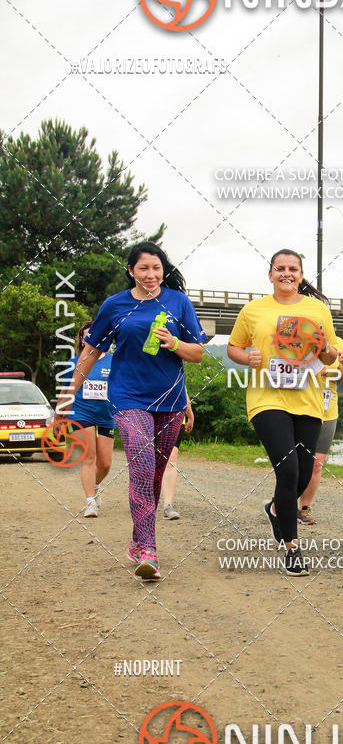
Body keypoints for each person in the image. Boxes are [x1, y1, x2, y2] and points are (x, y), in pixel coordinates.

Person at [55, 242, 207, 580]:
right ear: (130, 271)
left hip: (170, 401)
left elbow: (196, 353)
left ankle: (138, 539)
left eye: (156, 268)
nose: (150, 275)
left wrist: (175, 343)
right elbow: (91, 354)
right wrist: (66, 398)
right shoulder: (115, 305)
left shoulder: (178, 303)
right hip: (128, 397)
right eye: (143, 269)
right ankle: (149, 550)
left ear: (162, 270)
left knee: (154, 475)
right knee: (141, 464)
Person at [227, 249, 339, 576]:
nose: (286, 273)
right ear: (271, 274)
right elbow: (234, 346)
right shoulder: (254, 310)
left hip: (308, 400)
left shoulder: (317, 310)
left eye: (293, 269)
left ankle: (277, 509)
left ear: (301, 276)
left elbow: (329, 355)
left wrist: (329, 351)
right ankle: (291, 546)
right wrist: (245, 356)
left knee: (303, 476)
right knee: (288, 470)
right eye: (280, 268)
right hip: (267, 398)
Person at [298, 336, 343, 524]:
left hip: (328, 411)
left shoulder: (338, 343)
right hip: (301, 408)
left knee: (316, 463)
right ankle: (282, 504)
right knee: (296, 462)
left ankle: (304, 508)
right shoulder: (297, 339)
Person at [62, 321, 115, 519]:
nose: (89, 339)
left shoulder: (113, 360)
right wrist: (62, 414)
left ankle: (95, 486)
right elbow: (66, 391)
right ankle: (89, 502)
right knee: (89, 458)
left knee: (106, 463)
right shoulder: (74, 362)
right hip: (81, 413)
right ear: (82, 340)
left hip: (106, 415)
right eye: (86, 336)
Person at [162, 389, 194, 520]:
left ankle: (167, 506)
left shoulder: (178, 367)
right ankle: (143, 501)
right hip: (149, 413)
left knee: (171, 459)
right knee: (149, 459)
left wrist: (190, 414)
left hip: (175, 415)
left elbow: (182, 389)